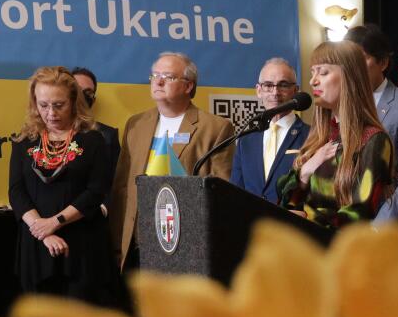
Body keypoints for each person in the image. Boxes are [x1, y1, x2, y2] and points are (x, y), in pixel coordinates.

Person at [109, 52, 235, 270]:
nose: (157, 81)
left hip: (183, 243)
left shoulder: (215, 127)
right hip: (137, 243)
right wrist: (117, 243)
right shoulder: (136, 124)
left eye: (167, 76)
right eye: (154, 75)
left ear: (188, 86)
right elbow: (122, 188)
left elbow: (221, 191)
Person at [8, 67, 115, 305]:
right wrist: (43, 231)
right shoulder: (24, 140)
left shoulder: (93, 140)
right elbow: (17, 192)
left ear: (74, 102)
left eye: (59, 105)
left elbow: (96, 192)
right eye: (43, 105)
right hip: (37, 243)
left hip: (80, 244)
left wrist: (54, 223)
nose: (51, 113)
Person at [276, 41, 394, 230]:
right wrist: (305, 172)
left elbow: (359, 214)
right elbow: (285, 201)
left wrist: (307, 220)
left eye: (323, 72)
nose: (313, 81)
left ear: (350, 77)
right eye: (313, 72)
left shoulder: (374, 140)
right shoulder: (319, 137)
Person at [344, 23, 398, 230]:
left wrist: (375, 230)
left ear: (382, 62)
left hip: (391, 233)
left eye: (360, 59)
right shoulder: (341, 106)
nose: (351, 68)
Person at [229, 57, 311, 205]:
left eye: (283, 85)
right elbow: (235, 192)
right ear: (258, 91)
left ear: (296, 91)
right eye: (268, 85)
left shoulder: (311, 136)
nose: (275, 92)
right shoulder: (246, 140)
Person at [69, 66, 121, 212]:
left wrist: (103, 209)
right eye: (77, 90)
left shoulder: (108, 135)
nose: (82, 96)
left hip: (92, 218)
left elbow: (117, 182)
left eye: (88, 92)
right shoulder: (47, 134)